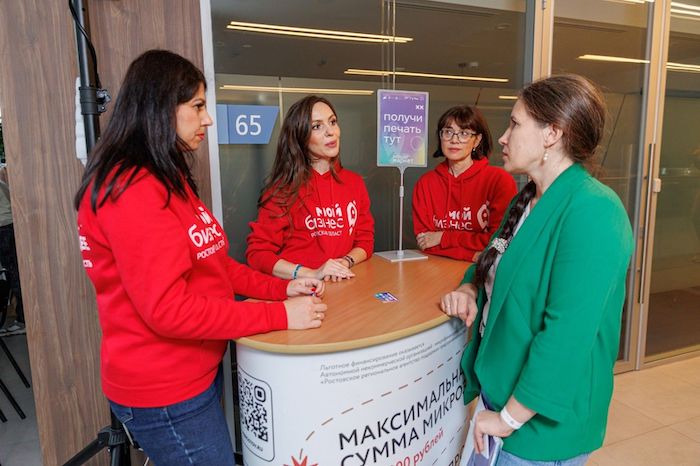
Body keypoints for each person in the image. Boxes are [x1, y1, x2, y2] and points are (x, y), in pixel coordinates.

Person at [75, 50, 327, 466]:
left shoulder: (166, 176)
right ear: (160, 108)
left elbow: (214, 263)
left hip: (196, 370)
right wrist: (279, 315)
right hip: (166, 388)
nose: (207, 119)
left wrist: (282, 289)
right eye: (197, 106)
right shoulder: (133, 190)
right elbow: (168, 309)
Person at [440, 75, 634, 465]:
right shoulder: (528, 200)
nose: (503, 137)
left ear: (552, 133)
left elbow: (566, 337)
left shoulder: (594, 211)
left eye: (515, 124)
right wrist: (468, 288)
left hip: (536, 424)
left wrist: (507, 419)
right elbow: (491, 261)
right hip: (499, 396)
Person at [246, 95, 374, 282]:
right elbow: (257, 254)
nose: (330, 132)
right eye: (317, 126)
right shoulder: (282, 190)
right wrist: (311, 273)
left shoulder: (354, 183)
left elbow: (365, 240)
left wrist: (345, 262)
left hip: (341, 287)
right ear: (300, 136)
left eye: (332, 122)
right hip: (299, 290)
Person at [412, 105, 516, 261]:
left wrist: (443, 237)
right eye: (448, 132)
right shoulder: (425, 184)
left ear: (477, 140)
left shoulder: (499, 180)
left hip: (483, 268)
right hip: (436, 266)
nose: (454, 140)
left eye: (464, 133)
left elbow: (500, 241)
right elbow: (425, 242)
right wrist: (472, 255)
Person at [0, 165, 25, 335]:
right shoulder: (1, 183)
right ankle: (23, 318)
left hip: (3, 229)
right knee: (16, 273)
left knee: (14, 274)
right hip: (10, 228)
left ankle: (22, 319)